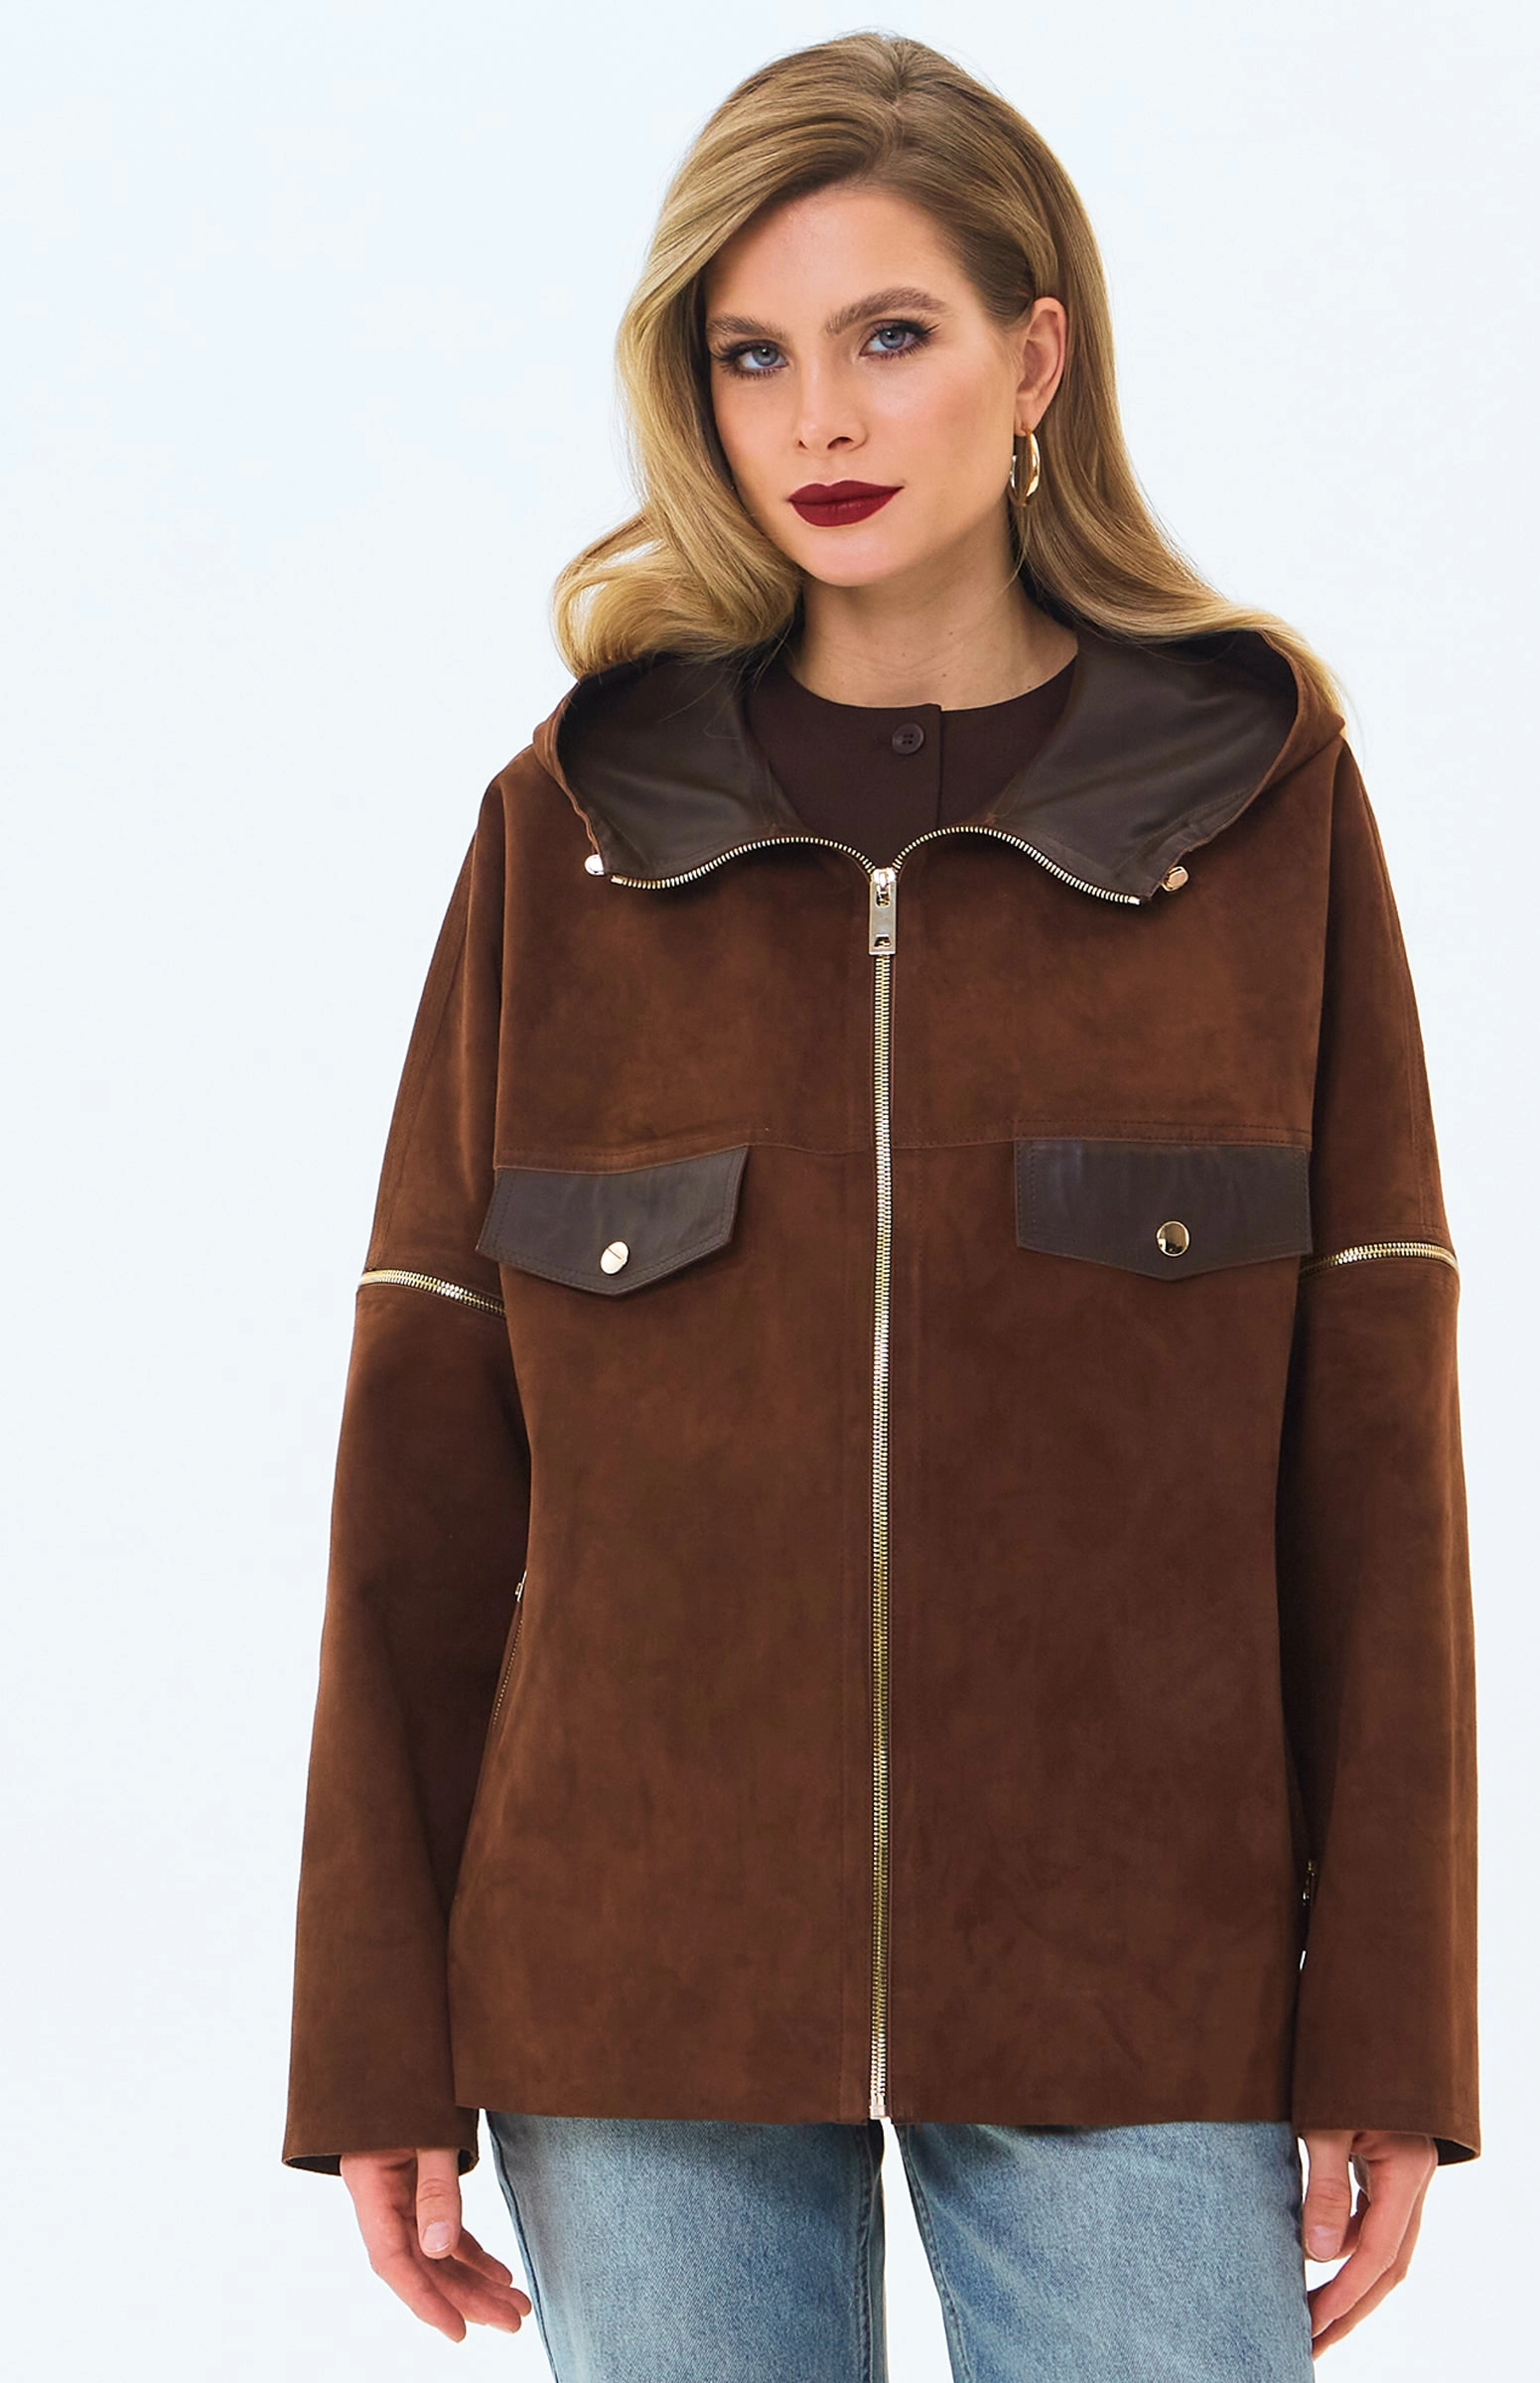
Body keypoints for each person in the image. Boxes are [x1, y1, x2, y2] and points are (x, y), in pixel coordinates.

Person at [283, 31, 1477, 2378]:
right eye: (752, 355)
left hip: (1138, 1969)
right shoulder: (575, 830)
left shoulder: (1259, 810)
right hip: (635, 1970)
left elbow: (1375, 1454)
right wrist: (370, 2040)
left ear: (1036, 361)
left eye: (889, 334)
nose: (818, 417)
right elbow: (420, 1471)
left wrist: (1391, 2019)